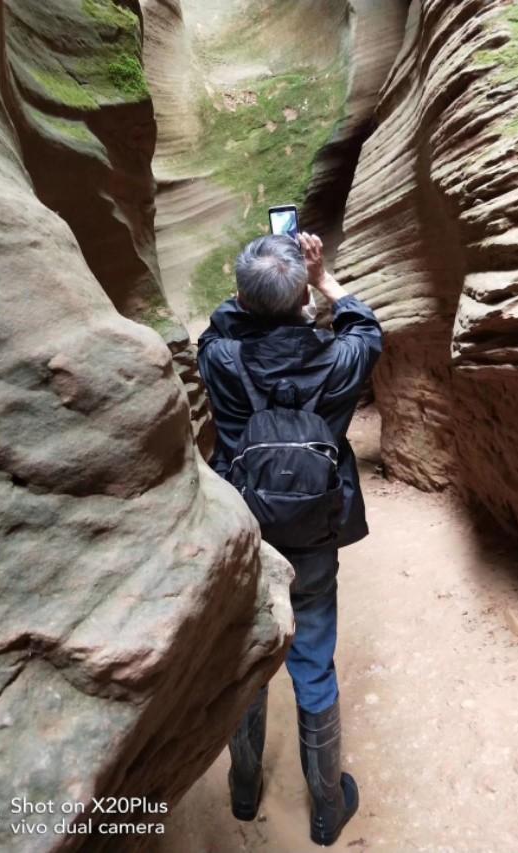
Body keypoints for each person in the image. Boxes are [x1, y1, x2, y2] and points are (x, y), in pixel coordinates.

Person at [197, 232, 382, 847]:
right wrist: (322, 280)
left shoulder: (222, 359)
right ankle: (327, 807)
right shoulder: (340, 358)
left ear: (244, 300)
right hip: (313, 537)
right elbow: (366, 326)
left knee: (244, 661)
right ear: (303, 290)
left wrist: (252, 296)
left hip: (243, 536)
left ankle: (244, 787)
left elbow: (215, 331)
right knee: (313, 662)